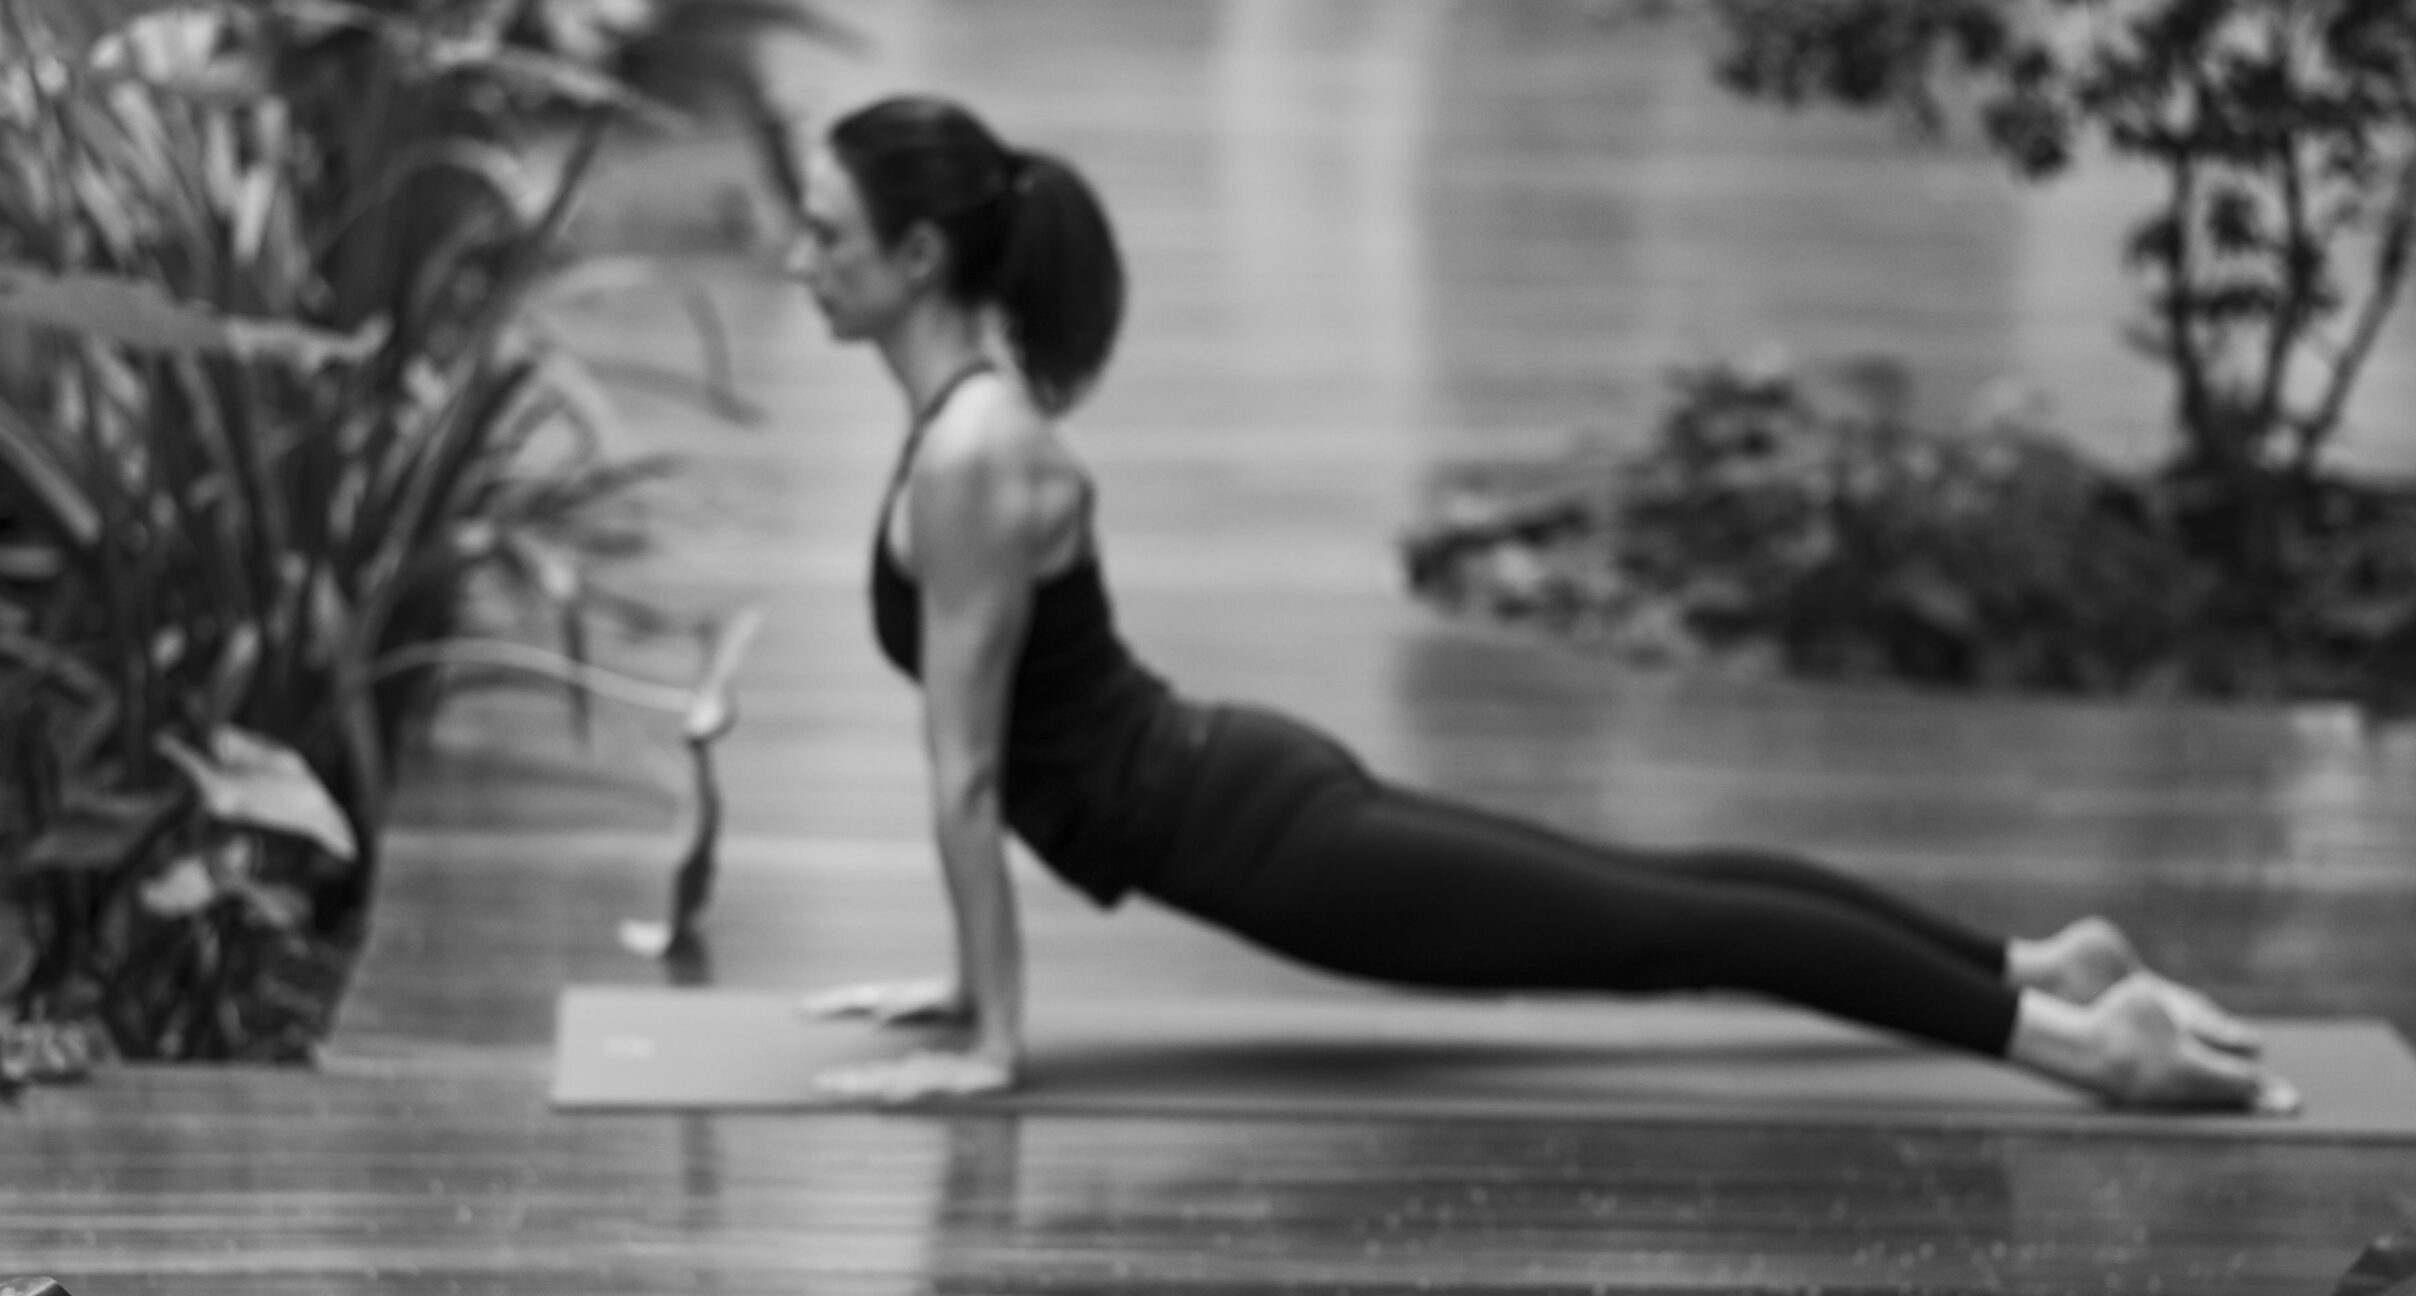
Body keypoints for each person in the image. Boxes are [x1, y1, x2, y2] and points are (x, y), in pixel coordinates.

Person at [784, 94, 2296, 1116]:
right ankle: (2040, 968)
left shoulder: (970, 457)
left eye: (824, 235)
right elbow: (1013, 745)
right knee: (1664, 896)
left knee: (1662, 927)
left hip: (1248, 836)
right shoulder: (971, 431)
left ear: (916, 256)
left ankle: (2079, 1046)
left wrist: (994, 1039)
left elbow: (971, 772)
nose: (800, 262)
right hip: (1233, 792)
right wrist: (965, 988)